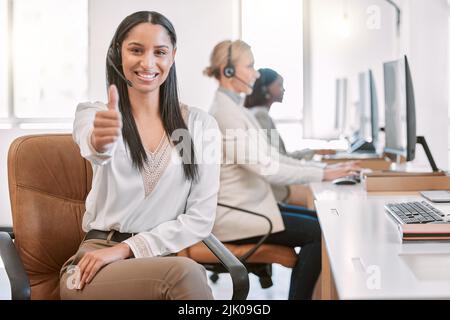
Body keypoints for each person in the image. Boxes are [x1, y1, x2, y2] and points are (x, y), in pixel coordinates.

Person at [59, 11, 221, 300]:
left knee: (183, 273)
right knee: (186, 273)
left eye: (159, 52)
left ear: (173, 56)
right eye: (136, 50)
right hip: (92, 266)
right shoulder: (95, 115)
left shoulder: (197, 127)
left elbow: (200, 218)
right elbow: (95, 148)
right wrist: (101, 140)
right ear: (117, 52)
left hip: (158, 262)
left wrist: (129, 249)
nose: (148, 63)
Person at [204, 40, 359, 299]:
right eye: (250, 66)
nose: (255, 73)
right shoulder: (225, 114)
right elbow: (268, 168)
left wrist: (324, 168)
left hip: (255, 205)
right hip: (239, 214)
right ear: (228, 70)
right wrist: (324, 174)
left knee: (323, 222)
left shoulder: (235, 108)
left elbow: (273, 157)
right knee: (320, 234)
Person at [244, 68, 356, 205]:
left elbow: (279, 156)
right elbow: (278, 159)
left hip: (278, 185)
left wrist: (319, 160)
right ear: (265, 89)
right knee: (330, 203)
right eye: (279, 85)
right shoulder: (260, 116)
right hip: (277, 189)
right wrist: (323, 169)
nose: (283, 89)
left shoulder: (260, 114)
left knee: (328, 199)